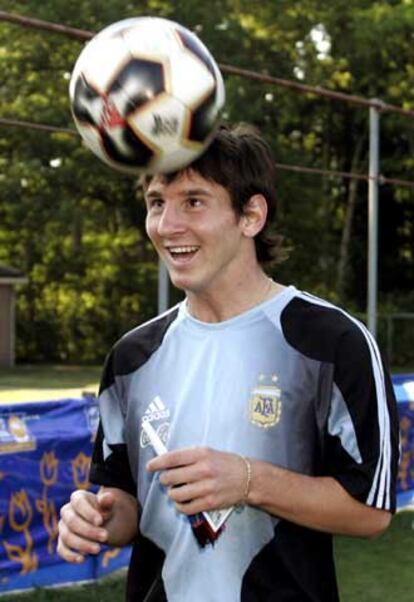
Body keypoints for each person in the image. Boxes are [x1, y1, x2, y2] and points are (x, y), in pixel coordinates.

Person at [57, 123, 399, 601]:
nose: (167, 225)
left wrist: (249, 480)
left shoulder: (332, 343)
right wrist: (103, 518)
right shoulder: (132, 357)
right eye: (157, 203)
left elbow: (371, 513)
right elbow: (127, 501)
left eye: (193, 201)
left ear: (251, 215)